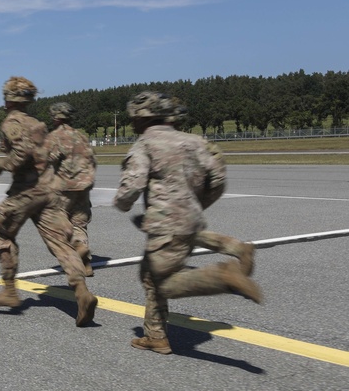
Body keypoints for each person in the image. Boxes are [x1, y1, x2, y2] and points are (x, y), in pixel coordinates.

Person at [114, 91, 262, 355]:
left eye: (133, 117)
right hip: (191, 221)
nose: (131, 122)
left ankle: (222, 277)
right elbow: (218, 180)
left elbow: (132, 186)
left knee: (161, 283)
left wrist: (122, 203)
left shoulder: (145, 144)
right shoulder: (194, 141)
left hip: (165, 226)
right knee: (150, 275)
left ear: (143, 117)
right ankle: (155, 336)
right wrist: (195, 206)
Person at [0, 76, 99, 327]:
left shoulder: (12, 121)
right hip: (50, 190)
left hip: (26, 191)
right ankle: (81, 291)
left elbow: (22, 152)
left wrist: (3, 164)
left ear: (8, 99)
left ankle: (10, 290)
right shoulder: (38, 124)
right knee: (60, 243)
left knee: (1, 228)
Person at [166, 100, 256, 275]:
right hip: (209, 185)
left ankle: (239, 249)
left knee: (181, 228)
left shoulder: (174, 142)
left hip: (195, 188)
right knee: (182, 228)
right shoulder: (193, 139)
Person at [45, 102, 98, 276]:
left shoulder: (55, 137)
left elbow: (46, 160)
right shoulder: (81, 136)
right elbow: (93, 159)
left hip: (64, 189)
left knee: (57, 226)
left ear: (55, 118)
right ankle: (85, 260)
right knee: (79, 225)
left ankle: (74, 252)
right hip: (84, 187)